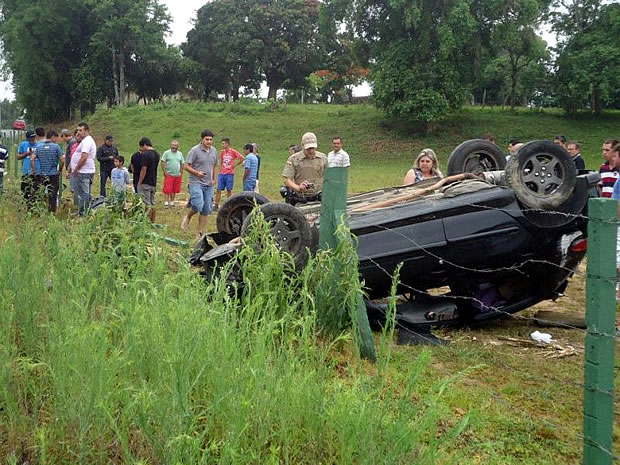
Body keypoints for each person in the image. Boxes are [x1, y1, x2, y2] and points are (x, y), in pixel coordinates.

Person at [181, 130, 218, 238]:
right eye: (207, 139)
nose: (209, 141)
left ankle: (200, 233)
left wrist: (214, 179)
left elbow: (215, 165)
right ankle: (187, 217)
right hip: (196, 182)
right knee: (197, 205)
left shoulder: (214, 151)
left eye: (211, 139)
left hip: (209, 184)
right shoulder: (195, 150)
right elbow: (186, 166)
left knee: (206, 209)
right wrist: (197, 173)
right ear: (202, 139)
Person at [281, 132, 327, 205]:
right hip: (301, 199)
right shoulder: (294, 159)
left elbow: (329, 177)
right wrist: (298, 187)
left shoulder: (323, 158)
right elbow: (287, 180)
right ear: (303, 146)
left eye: (313, 148)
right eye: (308, 148)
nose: (311, 151)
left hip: (320, 199)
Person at [31, 129, 63, 213]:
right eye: (56, 138)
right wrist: (60, 170)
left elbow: (32, 159)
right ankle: (51, 213)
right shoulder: (56, 147)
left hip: (42, 174)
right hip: (53, 174)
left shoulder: (39, 147)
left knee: (37, 193)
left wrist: (35, 171)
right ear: (52, 137)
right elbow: (62, 160)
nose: (56, 140)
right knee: (52, 195)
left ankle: (35, 210)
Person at [69, 122, 97, 216]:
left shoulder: (86, 142)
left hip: (83, 171)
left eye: (81, 130)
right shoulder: (85, 141)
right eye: (78, 130)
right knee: (83, 192)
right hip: (84, 170)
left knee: (83, 193)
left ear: (86, 131)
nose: (79, 132)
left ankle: (83, 213)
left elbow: (84, 157)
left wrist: (77, 168)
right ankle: (83, 211)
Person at [213, 137, 244, 210]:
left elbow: (242, 158)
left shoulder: (233, 151)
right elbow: (221, 161)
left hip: (229, 173)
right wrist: (219, 171)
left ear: (227, 144)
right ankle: (216, 205)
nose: (222, 145)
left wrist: (234, 165)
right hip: (222, 173)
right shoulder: (222, 152)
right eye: (222, 143)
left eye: (223, 143)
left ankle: (229, 205)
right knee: (218, 189)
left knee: (229, 190)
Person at [136, 137, 160, 223]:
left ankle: (147, 222)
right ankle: (153, 221)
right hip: (153, 182)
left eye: (141, 148)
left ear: (145, 145)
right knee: (152, 203)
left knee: (146, 204)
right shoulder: (157, 154)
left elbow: (143, 169)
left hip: (145, 182)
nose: (141, 150)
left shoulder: (145, 155)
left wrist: (140, 182)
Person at [17, 129, 42, 209]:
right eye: (30, 140)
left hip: (37, 171)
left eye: (33, 139)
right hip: (26, 171)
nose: (32, 141)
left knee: (36, 190)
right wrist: (26, 154)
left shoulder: (40, 145)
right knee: (25, 189)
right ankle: (27, 206)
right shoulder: (23, 144)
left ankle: (35, 206)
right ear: (27, 139)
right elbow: (18, 157)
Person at [161, 140, 184, 207]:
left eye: (175, 145)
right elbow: (162, 162)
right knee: (167, 189)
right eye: (173, 145)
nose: (174, 146)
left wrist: (181, 172)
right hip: (169, 174)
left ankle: (172, 201)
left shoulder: (180, 154)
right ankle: (166, 201)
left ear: (178, 147)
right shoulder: (166, 153)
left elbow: (182, 163)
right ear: (171, 146)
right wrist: (164, 171)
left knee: (174, 189)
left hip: (177, 174)